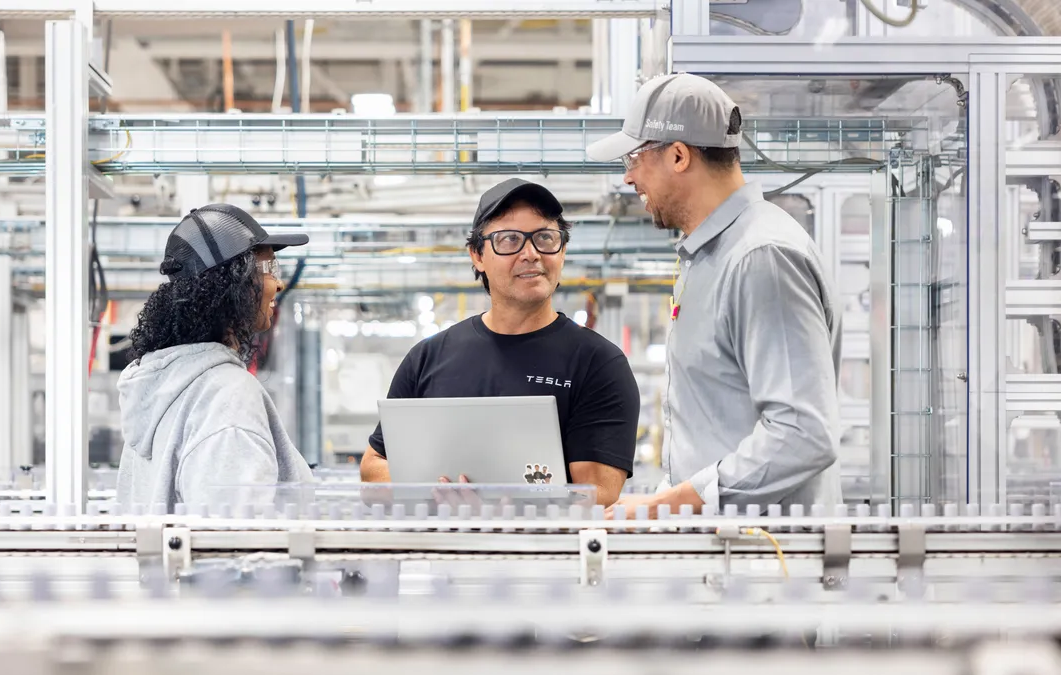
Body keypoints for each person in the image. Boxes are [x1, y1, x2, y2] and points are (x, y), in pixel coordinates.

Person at [585, 73, 843, 516]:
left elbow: (802, 434)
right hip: (726, 554)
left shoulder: (761, 258)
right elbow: (712, 433)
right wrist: (659, 500)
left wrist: (671, 504)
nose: (628, 178)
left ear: (679, 156)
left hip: (768, 565)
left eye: (633, 158)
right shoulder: (707, 257)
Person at [358, 178, 641, 505]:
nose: (531, 254)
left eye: (545, 238)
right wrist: (440, 489)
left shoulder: (598, 364)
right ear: (477, 256)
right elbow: (372, 472)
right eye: (510, 240)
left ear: (561, 251)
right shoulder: (428, 358)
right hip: (440, 551)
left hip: (546, 553)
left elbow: (598, 493)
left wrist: (493, 499)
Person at [116, 204, 315, 509]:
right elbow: (237, 542)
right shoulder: (229, 397)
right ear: (235, 283)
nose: (278, 283)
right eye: (269, 269)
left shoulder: (160, 387)